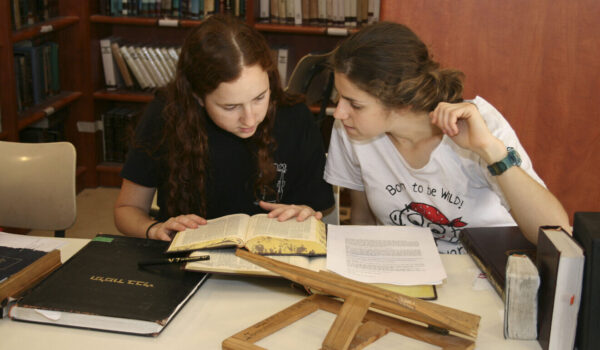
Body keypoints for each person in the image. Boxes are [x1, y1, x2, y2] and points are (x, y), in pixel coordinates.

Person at [324, 21, 569, 254]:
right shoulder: (350, 129)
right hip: (405, 273)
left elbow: (554, 233)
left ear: (403, 102)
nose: (340, 112)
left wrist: (489, 150)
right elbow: (363, 220)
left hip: (486, 271)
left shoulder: (479, 123)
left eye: (355, 104)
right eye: (340, 97)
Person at [114, 14, 333, 241]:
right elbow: (127, 209)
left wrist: (305, 213)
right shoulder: (166, 115)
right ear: (198, 97)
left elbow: (315, 209)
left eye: (260, 98)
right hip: (188, 262)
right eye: (230, 107)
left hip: (271, 259)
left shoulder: (295, 116)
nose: (249, 119)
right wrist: (153, 229)